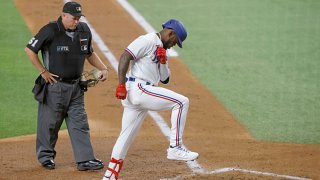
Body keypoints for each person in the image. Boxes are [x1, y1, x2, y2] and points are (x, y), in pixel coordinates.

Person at [103, 19, 199, 180]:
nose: (175, 44)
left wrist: (163, 62)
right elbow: (125, 56)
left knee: (126, 135)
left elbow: (165, 79)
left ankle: (110, 176)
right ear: (171, 33)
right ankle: (175, 147)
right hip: (138, 89)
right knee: (181, 102)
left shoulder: (162, 49)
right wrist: (120, 84)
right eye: (176, 41)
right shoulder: (147, 40)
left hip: (141, 93)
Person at [25, 2, 107, 171]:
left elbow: (89, 53)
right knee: (50, 124)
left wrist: (103, 68)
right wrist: (43, 71)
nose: (76, 21)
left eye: (78, 18)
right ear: (63, 15)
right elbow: (30, 50)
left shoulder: (84, 30)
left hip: (77, 87)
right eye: (73, 18)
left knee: (80, 123)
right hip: (55, 86)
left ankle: (85, 160)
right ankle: (46, 157)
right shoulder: (50, 30)